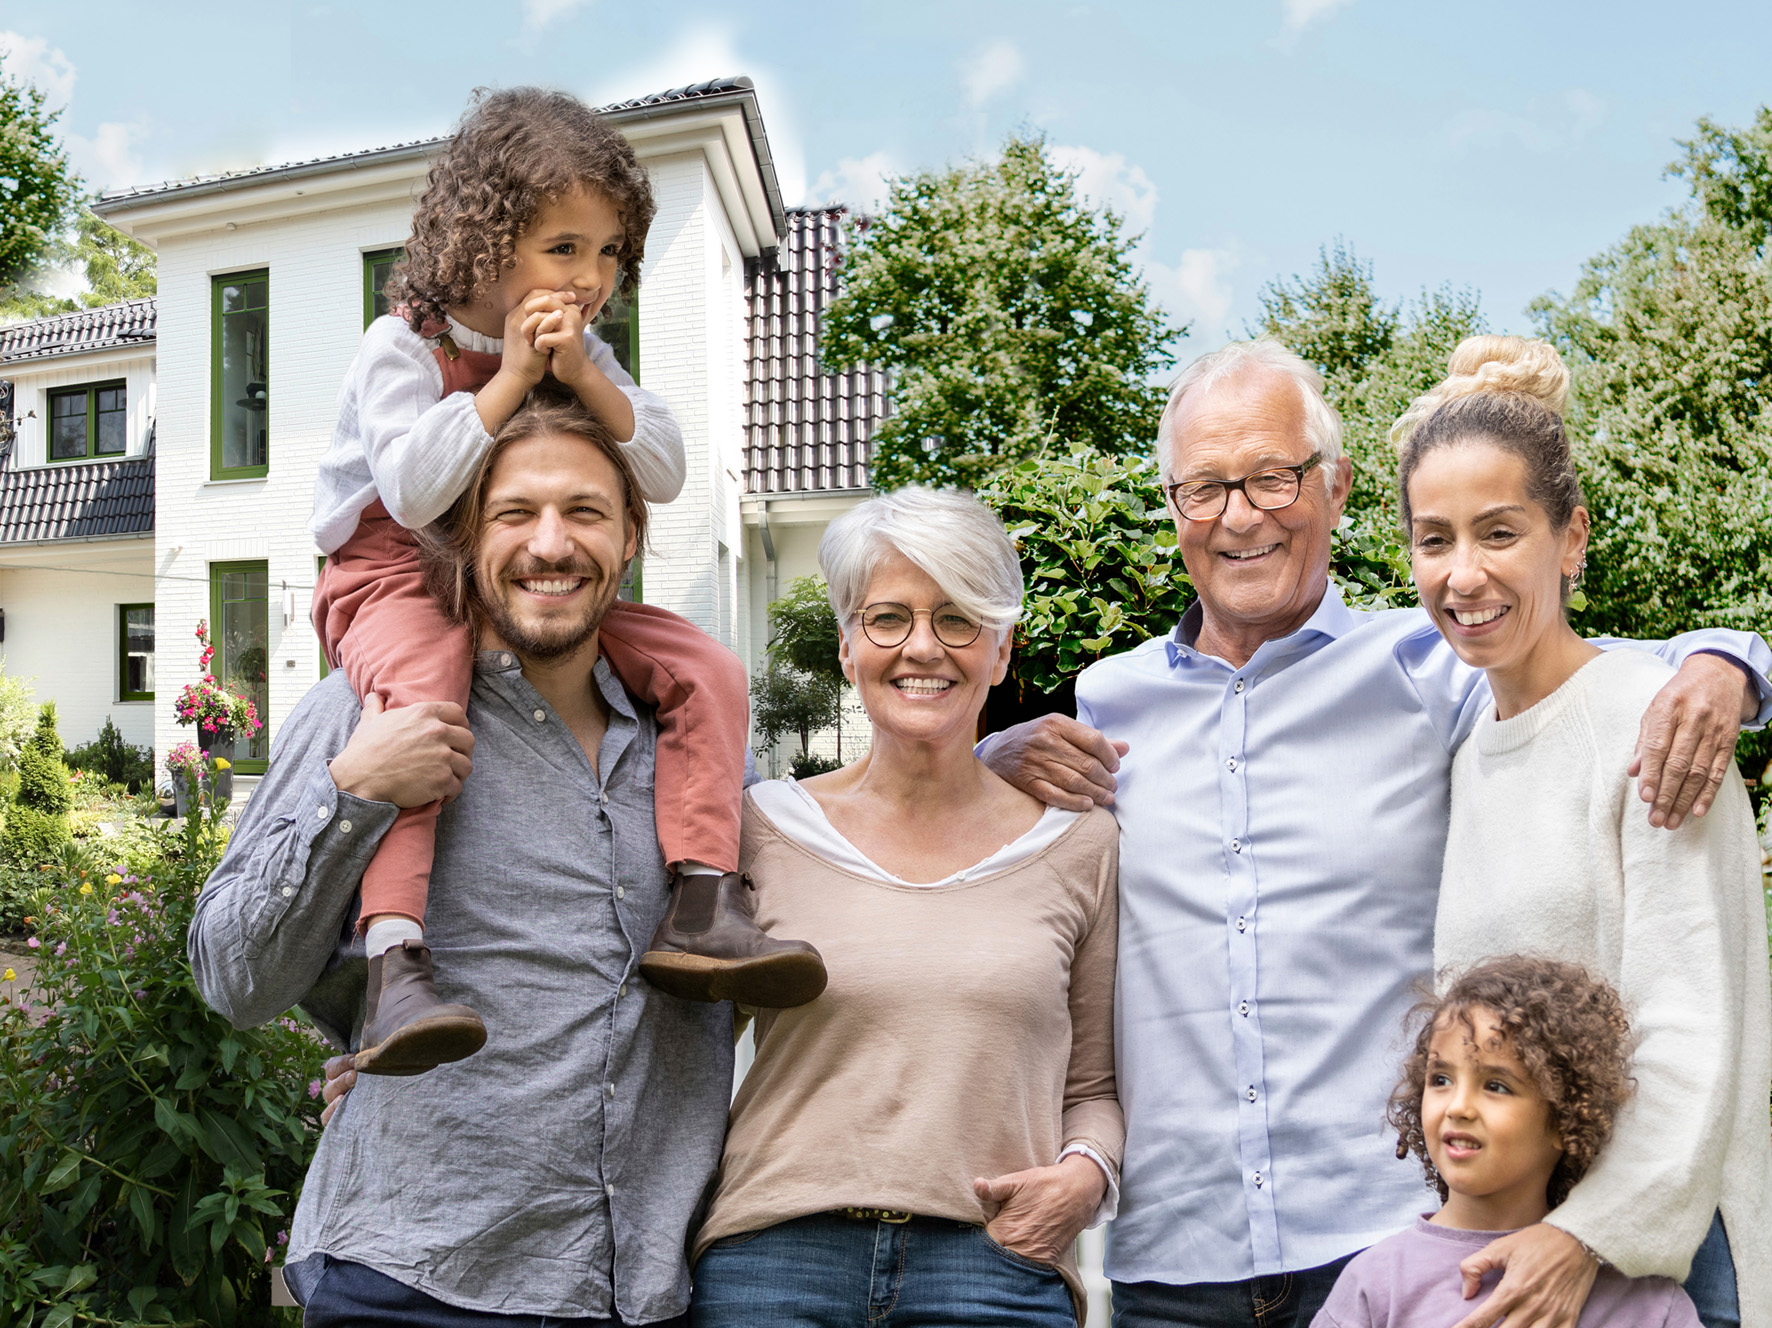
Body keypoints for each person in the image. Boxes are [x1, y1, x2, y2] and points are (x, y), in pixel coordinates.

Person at [978, 338, 1772, 1328]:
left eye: (1272, 476)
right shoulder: (1106, 704)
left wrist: (1724, 663)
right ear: (1172, 505)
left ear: (1336, 485)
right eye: (1204, 487)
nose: (1239, 515)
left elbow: (1582, 676)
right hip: (1173, 1258)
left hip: (1396, 1240)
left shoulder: (1430, 667)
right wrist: (986, 760)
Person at [309, 86, 821, 1074]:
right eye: (563, 248)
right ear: (484, 243)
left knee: (707, 666)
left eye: (609, 251)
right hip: (395, 571)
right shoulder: (403, 348)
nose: (589, 277)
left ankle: (702, 899)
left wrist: (583, 374)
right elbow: (413, 493)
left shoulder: (583, 356)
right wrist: (510, 378)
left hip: (528, 576)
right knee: (422, 701)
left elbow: (663, 470)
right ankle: (393, 962)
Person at [191, 397, 734, 1325]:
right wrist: (353, 793)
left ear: (631, 535)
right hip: (412, 1278)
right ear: (464, 538)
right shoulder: (362, 712)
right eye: (514, 513)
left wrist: (983, 765)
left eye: (586, 511)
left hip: (644, 1288)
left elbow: (843, 901)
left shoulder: (697, 746)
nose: (551, 544)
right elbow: (233, 980)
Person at [1399, 336, 1771, 1328]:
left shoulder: (1656, 719)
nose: (1463, 574)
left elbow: (1692, 1031)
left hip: (1665, 1256)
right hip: (1527, 1246)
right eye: (1433, 539)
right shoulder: (1471, 749)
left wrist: (1585, 1233)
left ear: (1570, 538)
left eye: (1498, 532)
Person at [688, 488, 1122, 1327]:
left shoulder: (1080, 844)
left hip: (992, 1268)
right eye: (888, 618)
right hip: (774, 1264)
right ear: (848, 648)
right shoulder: (763, 827)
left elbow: (1095, 1086)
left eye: (957, 618)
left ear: (1001, 649)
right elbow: (677, 1048)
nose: (923, 646)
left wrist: (1085, 1175)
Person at [1311, 957, 1701, 1328]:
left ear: (1564, 1120)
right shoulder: (1377, 1281)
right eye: (1441, 1080)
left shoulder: (1646, 1302)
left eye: (1496, 1086)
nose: (1458, 1107)